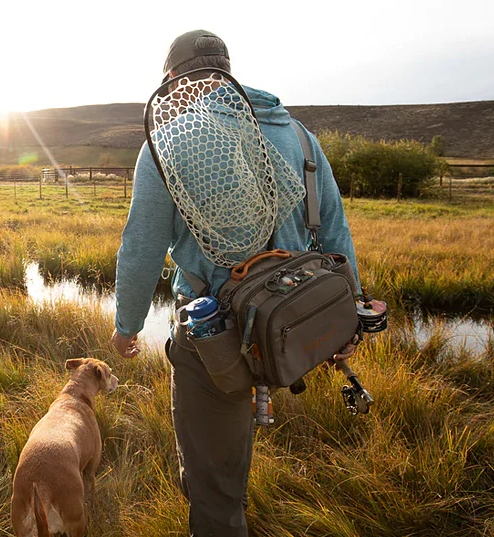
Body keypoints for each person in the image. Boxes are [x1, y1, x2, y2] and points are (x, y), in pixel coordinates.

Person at [111, 30, 361, 536]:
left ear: (173, 81)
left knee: (213, 483)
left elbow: (141, 248)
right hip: (293, 324)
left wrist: (126, 326)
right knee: (226, 462)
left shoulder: (167, 142)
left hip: (214, 337)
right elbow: (334, 232)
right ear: (226, 70)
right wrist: (348, 315)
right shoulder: (300, 135)